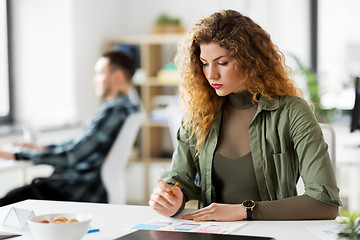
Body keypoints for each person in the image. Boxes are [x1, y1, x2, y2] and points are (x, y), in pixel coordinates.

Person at [149, 9, 341, 221]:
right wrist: (171, 199)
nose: (211, 74)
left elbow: (325, 203)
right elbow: (180, 179)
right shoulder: (200, 112)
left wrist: (246, 210)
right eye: (204, 63)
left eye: (222, 62)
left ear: (251, 61)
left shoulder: (292, 111)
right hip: (211, 233)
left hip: (272, 233)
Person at [0, 50, 138, 206]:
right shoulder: (128, 108)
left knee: (6, 204)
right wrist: (43, 147)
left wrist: (17, 155)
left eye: (99, 73)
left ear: (117, 77)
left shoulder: (115, 111)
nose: (94, 80)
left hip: (75, 191)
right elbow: (79, 144)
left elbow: (72, 156)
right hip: (82, 188)